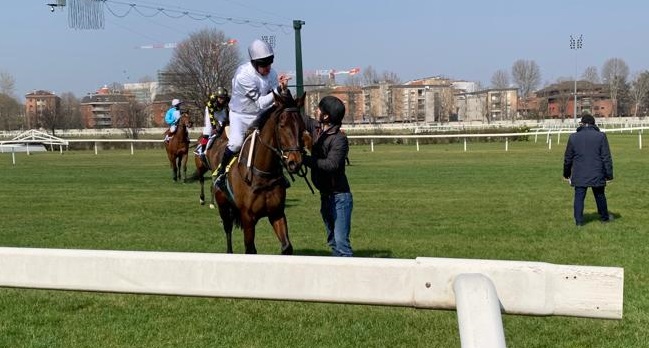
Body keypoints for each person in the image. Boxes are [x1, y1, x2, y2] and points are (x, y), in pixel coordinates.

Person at [213, 39, 290, 185]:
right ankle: (221, 171)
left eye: (269, 64)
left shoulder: (272, 73)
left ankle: (279, 172)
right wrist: (279, 89)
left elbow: (274, 99)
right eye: (263, 65)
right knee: (236, 144)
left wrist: (283, 90)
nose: (268, 68)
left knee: (275, 139)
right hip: (240, 115)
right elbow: (261, 102)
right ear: (254, 63)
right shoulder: (243, 76)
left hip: (260, 114)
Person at [302, 96, 353, 257]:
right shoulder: (317, 128)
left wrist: (304, 159)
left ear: (326, 116)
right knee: (333, 242)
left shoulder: (339, 139)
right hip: (326, 197)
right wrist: (282, 89)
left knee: (341, 244)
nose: (316, 111)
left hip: (340, 198)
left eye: (319, 109)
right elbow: (299, 115)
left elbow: (332, 165)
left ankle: (349, 277)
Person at [563, 113, 614, 226]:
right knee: (600, 195)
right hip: (597, 172)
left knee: (579, 197)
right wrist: (609, 175)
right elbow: (606, 157)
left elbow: (568, 158)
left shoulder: (573, 137)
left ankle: (579, 222)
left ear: (582, 123)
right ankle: (604, 218)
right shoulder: (601, 136)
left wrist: (566, 174)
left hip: (580, 173)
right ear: (593, 124)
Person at [195, 87, 230, 157]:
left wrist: (227, 121)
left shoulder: (228, 100)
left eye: (223, 98)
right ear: (217, 97)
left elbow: (228, 112)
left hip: (220, 111)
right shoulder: (211, 101)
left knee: (225, 124)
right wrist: (214, 127)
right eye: (220, 98)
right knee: (208, 131)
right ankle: (201, 150)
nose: (222, 100)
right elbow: (211, 115)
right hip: (210, 111)